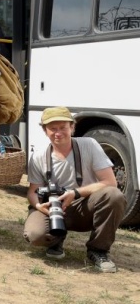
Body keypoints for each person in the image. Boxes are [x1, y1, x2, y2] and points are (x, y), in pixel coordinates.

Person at [23, 107, 126, 272]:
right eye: (53, 128)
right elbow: (32, 191)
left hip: (83, 205)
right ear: (45, 131)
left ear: (72, 127)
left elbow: (110, 182)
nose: (58, 133)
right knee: (34, 234)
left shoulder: (89, 145)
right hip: (52, 208)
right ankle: (55, 240)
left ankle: (98, 250)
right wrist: (39, 206)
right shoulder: (38, 156)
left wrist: (75, 193)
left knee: (114, 195)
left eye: (63, 127)